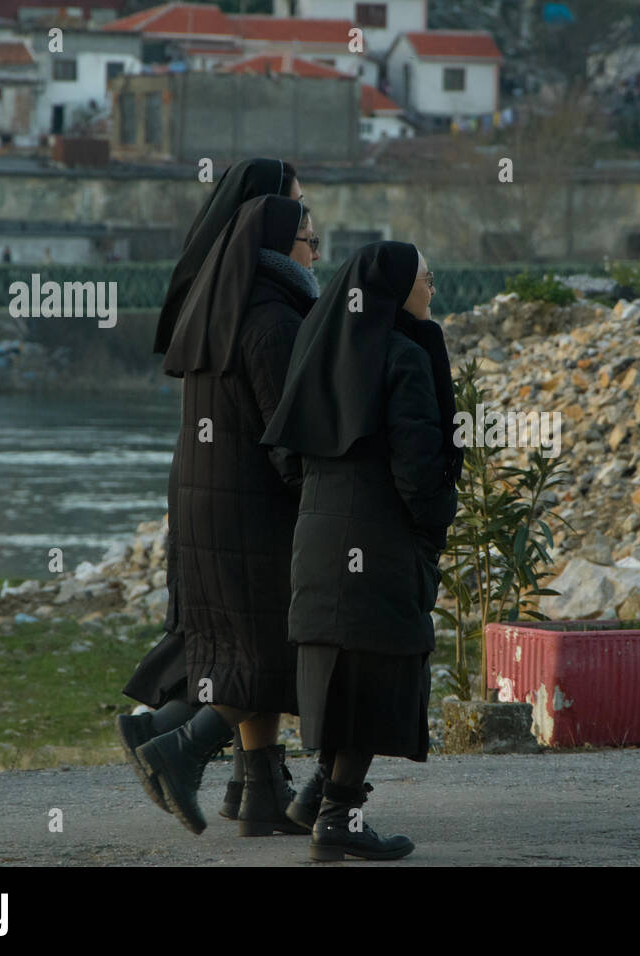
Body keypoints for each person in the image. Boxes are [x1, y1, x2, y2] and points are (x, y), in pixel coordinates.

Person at [117, 159, 304, 823]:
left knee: (241, 642)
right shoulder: (266, 310)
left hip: (204, 490)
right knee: (271, 645)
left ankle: (257, 791)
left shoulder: (213, 294)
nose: (313, 234)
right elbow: (285, 427)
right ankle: (180, 740)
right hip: (248, 497)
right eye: (301, 218)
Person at [261, 241, 461, 861]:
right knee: (375, 668)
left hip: (319, 536)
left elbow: (285, 452)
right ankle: (339, 815)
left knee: (338, 668)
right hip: (380, 537)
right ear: (398, 290)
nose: (432, 291)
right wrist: (431, 532)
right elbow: (419, 467)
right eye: (427, 280)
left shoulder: (322, 351)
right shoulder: (402, 356)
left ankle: (317, 797)